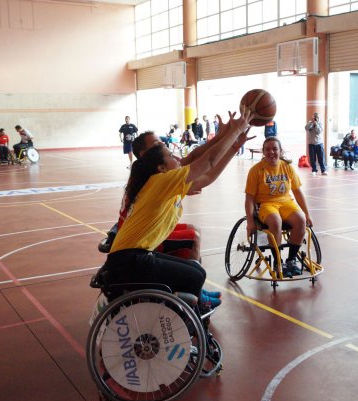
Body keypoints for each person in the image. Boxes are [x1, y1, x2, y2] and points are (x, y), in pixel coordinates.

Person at [101, 108, 253, 304]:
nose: (177, 158)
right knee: (195, 274)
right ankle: (191, 310)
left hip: (132, 254)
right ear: (161, 166)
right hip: (129, 259)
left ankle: (192, 303)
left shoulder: (161, 180)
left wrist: (233, 147)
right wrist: (234, 131)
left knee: (196, 271)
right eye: (171, 156)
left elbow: (206, 177)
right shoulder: (161, 180)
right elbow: (207, 160)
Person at [245, 137, 313, 277]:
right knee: (276, 222)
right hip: (266, 204)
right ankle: (277, 262)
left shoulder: (287, 167)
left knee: (300, 220)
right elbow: (249, 198)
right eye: (267, 149)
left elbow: (298, 192)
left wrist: (307, 214)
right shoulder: (256, 170)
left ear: (280, 151)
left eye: (275, 149)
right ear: (263, 152)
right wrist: (250, 222)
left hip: (285, 202)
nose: (271, 152)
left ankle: (291, 260)